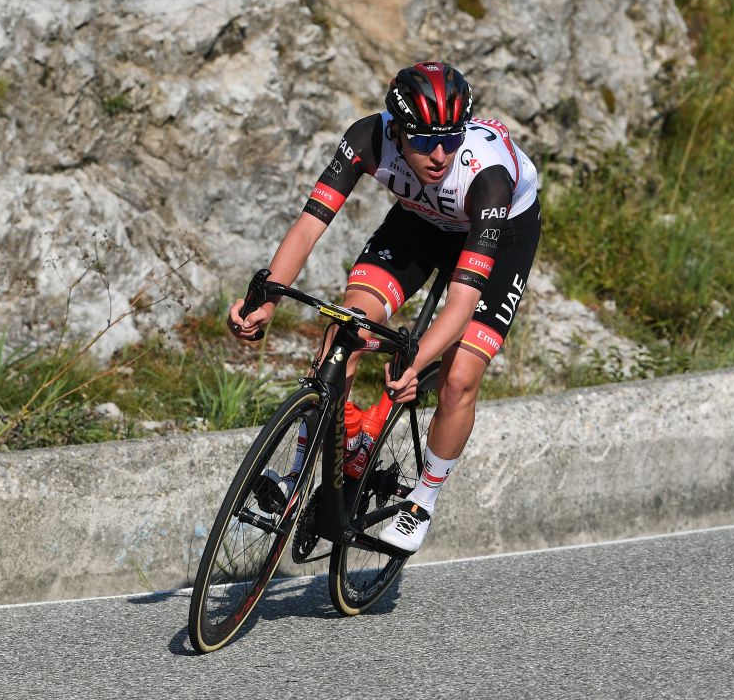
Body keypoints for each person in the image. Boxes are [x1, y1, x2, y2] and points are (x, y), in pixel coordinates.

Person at [227, 61, 541, 553]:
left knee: (458, 378)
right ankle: (299, 475)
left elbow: (462, 298)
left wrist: (417, 360)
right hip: (420, 224)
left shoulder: (489, 177)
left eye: (451, 138)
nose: (438, 155)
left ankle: (423, 500)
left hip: (500, 236)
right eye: (421, 141)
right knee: (346, 330)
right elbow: (310, 225)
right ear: (396, 132)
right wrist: (266, 298)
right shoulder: (369, 138)